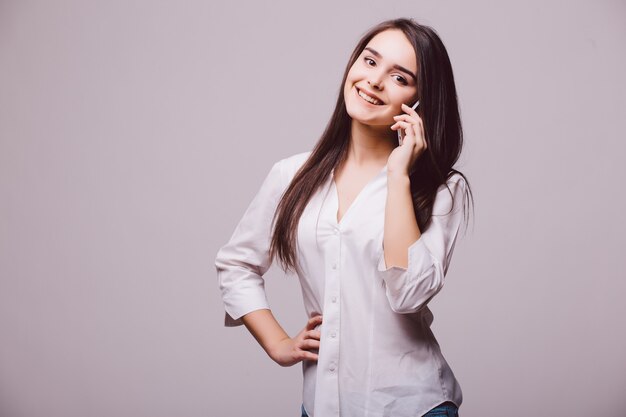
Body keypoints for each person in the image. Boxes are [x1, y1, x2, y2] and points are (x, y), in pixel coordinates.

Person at [215, 17, 474, 417]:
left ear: (421, 101)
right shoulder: (292, 175)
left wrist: (398, 175)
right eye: (369, 62)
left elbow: (408, 295)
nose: (374, 81)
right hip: (321, 405)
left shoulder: (441, 188)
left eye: (399, 77)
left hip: (413, 406)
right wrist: (278, 344)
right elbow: (236, 264)